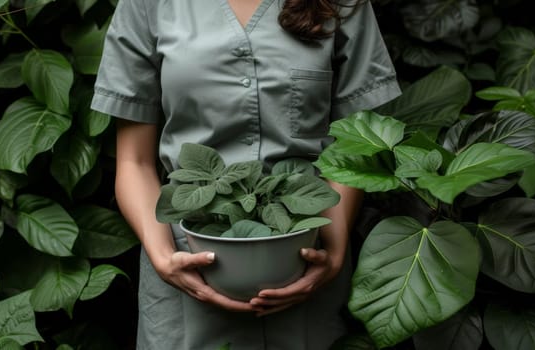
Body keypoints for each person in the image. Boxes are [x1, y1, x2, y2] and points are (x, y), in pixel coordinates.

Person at [91, 0, 401, 348]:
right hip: (188, 269)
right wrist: (164, 257)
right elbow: (134, 162)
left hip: (305, 262)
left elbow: (353, 146)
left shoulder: (342, 3)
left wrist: (335, 249)